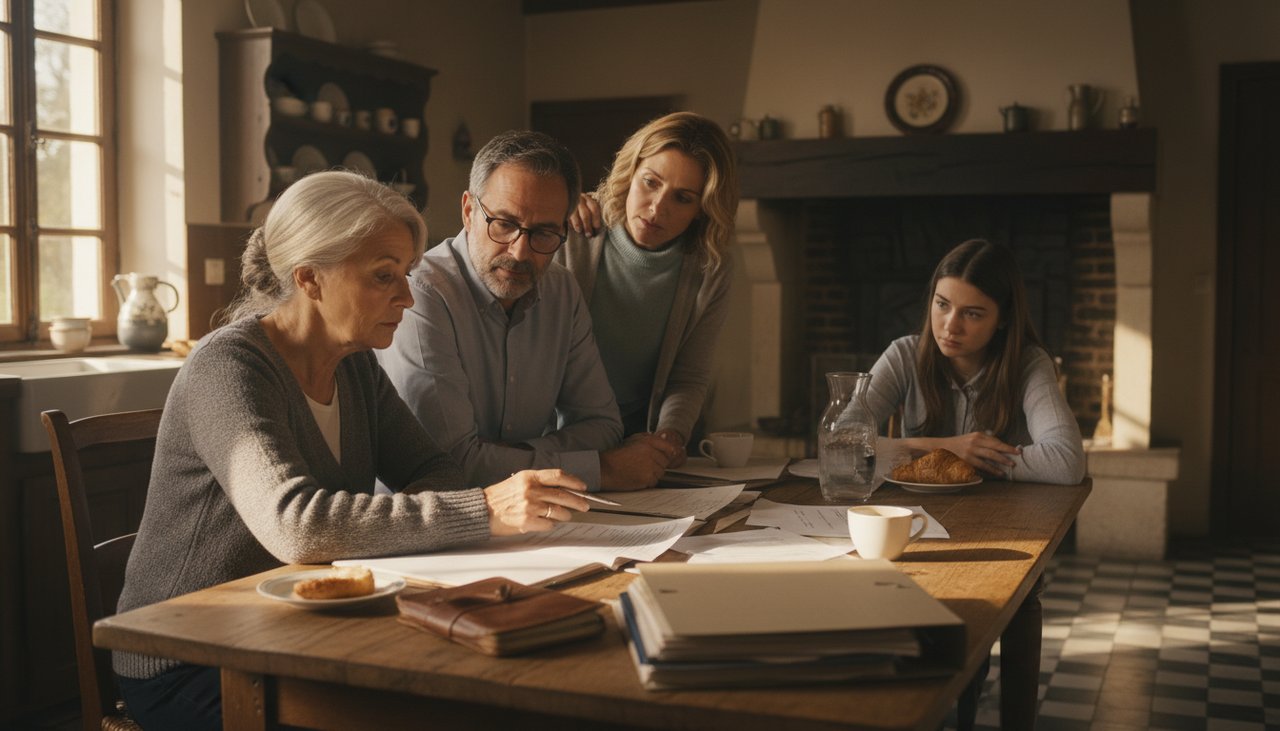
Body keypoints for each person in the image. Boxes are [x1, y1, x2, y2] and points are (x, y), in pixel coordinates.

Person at [113, 171, 592, 731]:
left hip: (298, 632)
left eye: (406, 274)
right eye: (384, 276)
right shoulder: (228, 367)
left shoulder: (356, 365)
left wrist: (428, 518)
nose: (407, 296)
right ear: (309, 278)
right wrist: (482, 510)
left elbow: (432, 468)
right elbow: (297, 526)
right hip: (187, 657)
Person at [379, 131, 679, 492]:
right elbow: (451, 466)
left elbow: (603, 426)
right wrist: (602, 469)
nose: (520, 252)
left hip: (531, 518)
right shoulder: (421, 294)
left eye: (544, 233)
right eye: (504, 224)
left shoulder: (561, 291)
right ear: (469, 211)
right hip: (430, 523)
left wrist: (509, 456)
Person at [562, 112, 739, 465]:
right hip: (561, 440)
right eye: (650, 182)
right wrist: (554, 208)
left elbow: (688, 376)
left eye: (683, 198)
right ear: (630, 172)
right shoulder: (574, 227)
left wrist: (669, 436)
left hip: (639, 443)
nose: (658, 209)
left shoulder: (711, 267)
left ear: (702, 208)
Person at [864, 238, 1086, 484]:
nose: (951, 326)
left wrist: (967, 459)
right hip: (913, 508)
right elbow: (840, 442)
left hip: (1003, 508)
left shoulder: (1029, 363)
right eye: (942, 304)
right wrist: (941, 448)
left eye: (972, 314)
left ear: (1003, 318)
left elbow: (1067, 462)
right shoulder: (903, 355)